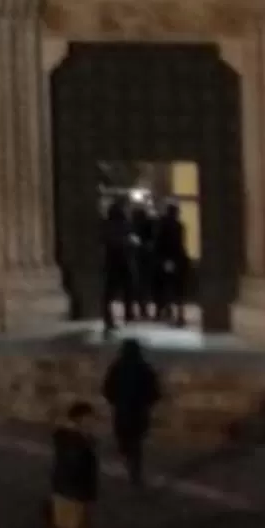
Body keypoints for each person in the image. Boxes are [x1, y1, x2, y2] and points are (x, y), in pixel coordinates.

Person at [102, 339, 162, 489]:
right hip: (139, 412)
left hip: (122, 411)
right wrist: (148, 403)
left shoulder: (116, 368)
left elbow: (107, 388)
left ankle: (129, 461)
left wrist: (115, 401)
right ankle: (135, 471)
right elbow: (154, 391)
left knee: (125, 439)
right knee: (136, 443)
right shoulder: (144, 368)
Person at [48, 403, 101, 528]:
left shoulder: (68, 438)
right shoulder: (74, 441)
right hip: (72, 490)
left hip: (66, 488)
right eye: (89, 418)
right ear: (80, 419)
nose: (92, 422)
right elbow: (76, 466)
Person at [100, 196, 137, 335]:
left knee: (109, 293)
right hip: (123, 262)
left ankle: (109, 319)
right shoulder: (125, 224)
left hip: (111, 263)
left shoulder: (106, 224)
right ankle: (128, 314)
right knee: (128, 289)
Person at [153, 201, 193, 327]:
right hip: (178, 258)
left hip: (167, 259)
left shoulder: (162, 226)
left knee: (167, 286)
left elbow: (159, 244)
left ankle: (168, 311)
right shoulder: (179, 226)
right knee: (179, 288)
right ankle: (179, 314)